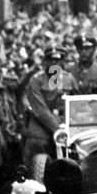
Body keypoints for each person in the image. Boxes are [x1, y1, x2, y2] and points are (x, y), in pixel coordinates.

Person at [21, 45, 76, 174]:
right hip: (41, 122)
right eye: (50, 60)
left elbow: (77, 104)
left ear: (63, 62)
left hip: (65, 121)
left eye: (57, 60)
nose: (54, 63)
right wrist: (58, 130)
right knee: (37, 143)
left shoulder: (69, 79)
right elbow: (40, 110)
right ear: (45, 62)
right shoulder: (36, 80)